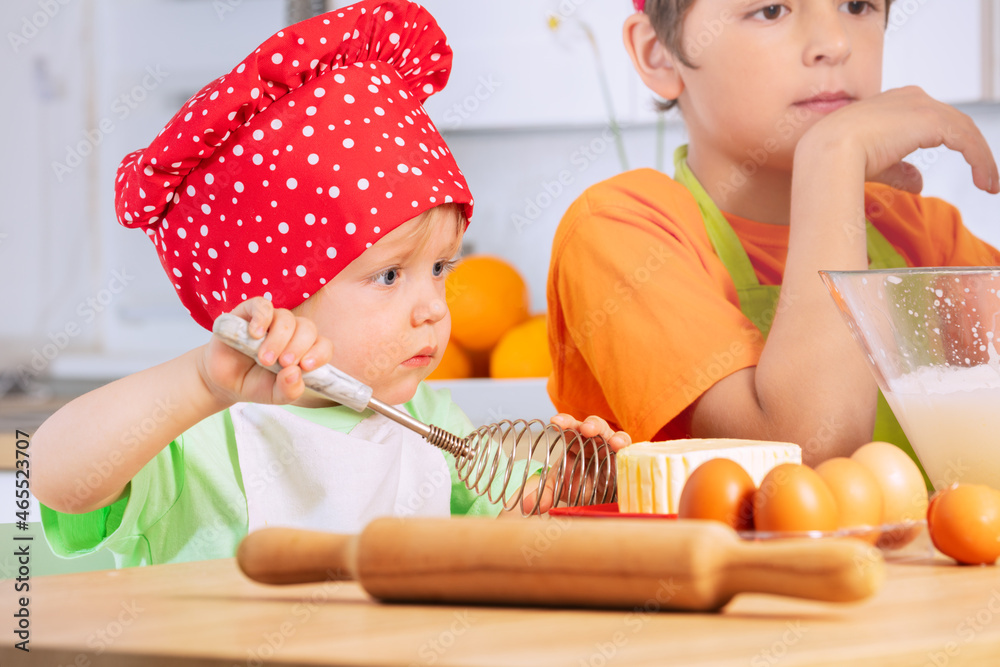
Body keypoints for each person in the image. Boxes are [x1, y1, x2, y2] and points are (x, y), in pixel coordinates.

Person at [33, 0, 629, 569]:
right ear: (275, 298)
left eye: (441, 269)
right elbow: (57, 478)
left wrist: (562, 494)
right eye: (390, 275)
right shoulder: (201, 435)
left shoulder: (431, 420)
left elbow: (490, 557)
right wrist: (199, 382)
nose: (432, 309)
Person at [546, 0, 1000, 472]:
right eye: (771, 10)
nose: (835, 44)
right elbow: (803, 467)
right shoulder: (619, 232)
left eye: (857, 5)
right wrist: (831, 156)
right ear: (658, 52)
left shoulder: (924, 235)